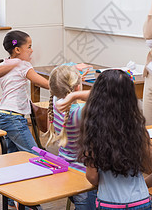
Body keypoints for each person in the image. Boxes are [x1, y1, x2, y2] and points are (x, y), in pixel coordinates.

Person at [78, 69, 152, 210]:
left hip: (109, 204)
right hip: (141, 202)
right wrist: (140, 188)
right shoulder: (139, 131)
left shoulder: (94, 131)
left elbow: (92, 177)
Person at [0, 30, 49, 155]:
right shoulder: (23, 65)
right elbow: (44, 83)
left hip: (2, 115)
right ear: (17, 50)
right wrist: (67, 82)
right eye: (29, 47)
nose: (32, 50)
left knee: (13, 156)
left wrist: (2, 103)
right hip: (14, 118)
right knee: (35, 155)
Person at [45, 65, 95, 209]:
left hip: (65, 169)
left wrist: (76, 82)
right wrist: (77, 92)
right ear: (77, 88)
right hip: (83, 176)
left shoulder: (55, 102)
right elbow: (103, 95)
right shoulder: (80, 112)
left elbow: (58, 78)